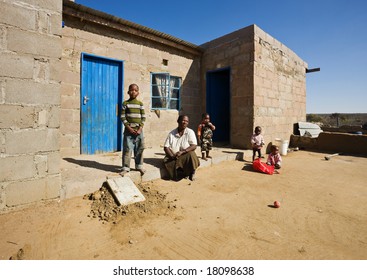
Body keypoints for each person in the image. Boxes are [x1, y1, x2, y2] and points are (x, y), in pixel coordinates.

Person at [163, 115, 200, 181]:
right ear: (178, 121)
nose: (184, 122)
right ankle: (182, 173)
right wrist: (172, 156)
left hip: (184, 155)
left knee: (191, 154)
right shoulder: (172, 133)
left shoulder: (190, 132)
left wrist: (183, 151)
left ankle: (192, 172)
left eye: (186, 121)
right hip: (174, 156)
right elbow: (166, 147)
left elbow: (194, 145)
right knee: (167, 161)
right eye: (183, 120)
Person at [120, 84, 146, 176]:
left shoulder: (140, 104)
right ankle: (125, 167)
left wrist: (140, 128)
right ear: (128, 92)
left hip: (139, 131)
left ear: (138, 93)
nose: (133, 92)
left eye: (135, 90)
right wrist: (129, 128)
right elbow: (122, 116)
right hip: (129, 131)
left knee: (140, 148)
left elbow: (143, 117)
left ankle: (139, 166)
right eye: (131, 90)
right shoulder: (125, 104)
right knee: (127, 148)